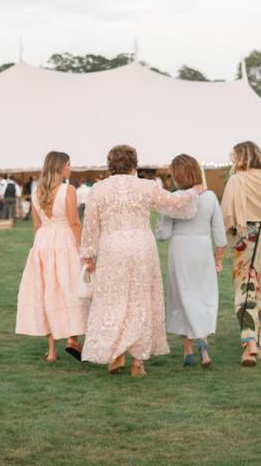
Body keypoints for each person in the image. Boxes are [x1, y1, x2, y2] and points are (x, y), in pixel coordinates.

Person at [80, 144, 201, 377]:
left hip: (112, 248)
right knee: (140, 301)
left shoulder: (99, 189)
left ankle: (115, 356)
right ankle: (138, 361)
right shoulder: (146, 187)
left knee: (113, 300)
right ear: (134, 164)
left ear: (110, 165)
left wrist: (88, 255)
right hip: (141, 247)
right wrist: (193, 191)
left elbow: (90, 226)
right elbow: (174, 203)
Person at [15, 151, 89, 362]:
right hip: (64, 241)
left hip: (43, 243)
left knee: (46, 292)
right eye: (68, 164)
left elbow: (37, 226)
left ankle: (51, 351)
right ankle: (72, 339)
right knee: (69, 289)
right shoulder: (68, 189)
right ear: (59, 167)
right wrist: (83, 251)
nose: (70, 168)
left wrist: (40, 247)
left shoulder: (37, 192)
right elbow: (74, 222)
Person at [155, 155, 226, 369]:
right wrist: (219, 259)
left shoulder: (174, 198)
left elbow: (164, 234)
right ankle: (202, 341)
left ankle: (187, 350)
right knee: (202, 294)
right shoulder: (211, 197)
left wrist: (158, 225)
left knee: (182, 296)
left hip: (181, 250)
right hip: (203, 248)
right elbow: (220, 234)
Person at [220, 140, 261, 368]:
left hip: (246, 236)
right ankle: (259, 339)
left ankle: (249, 346)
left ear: (241, 157)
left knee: (245, 287)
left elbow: (227, 213)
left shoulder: (237, 180)